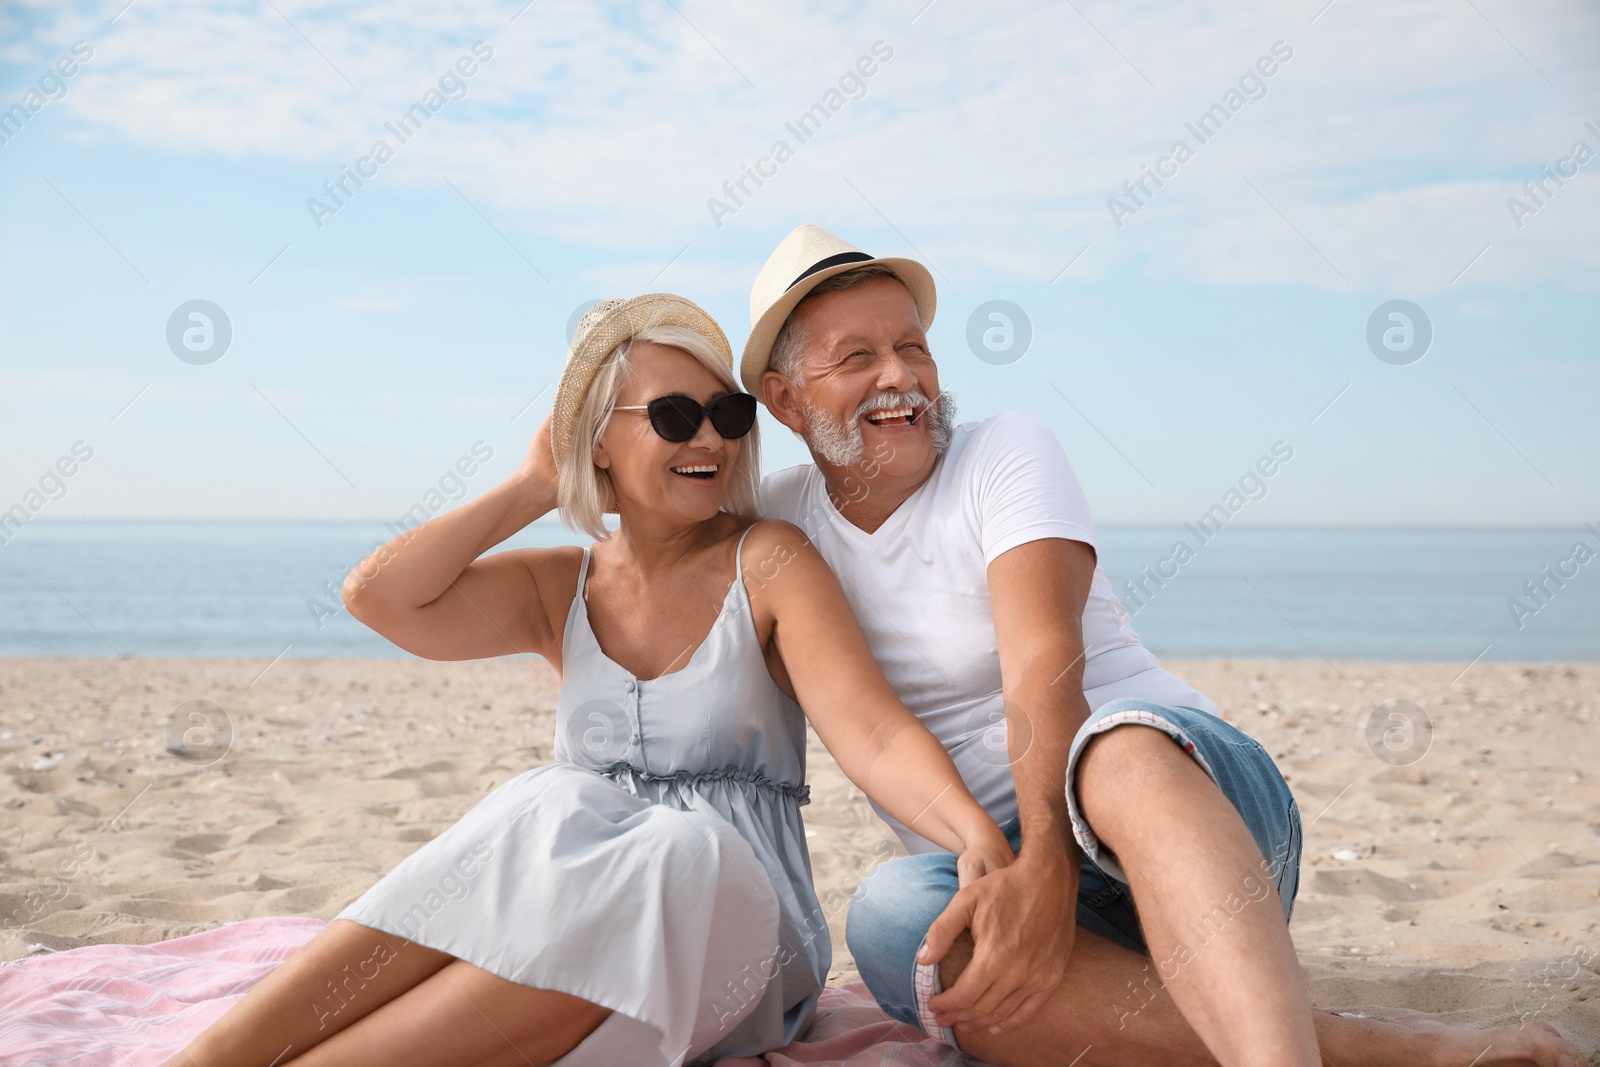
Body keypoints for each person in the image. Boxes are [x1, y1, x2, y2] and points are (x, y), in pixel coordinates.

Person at [739, 223, 1586, 1067]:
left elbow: (1044, 667)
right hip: (1004, 869)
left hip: (1190, 806)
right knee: (892, 919)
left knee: (1110, 751)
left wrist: (1048, 868)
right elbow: (664, 559)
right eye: (857, 358)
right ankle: (1381, 1048)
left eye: (912, 347)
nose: (901, 377)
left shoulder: (1003, 451)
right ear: (783, 400)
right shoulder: (779, 529)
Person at [161, 294, 1012, 1067]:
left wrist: (972, 833)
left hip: (735, 930)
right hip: (572, 930)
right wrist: (535, 484)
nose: (709, 438)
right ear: (599, 438)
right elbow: (378, 597)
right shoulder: (559, 588)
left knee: (661, 837)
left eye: (727, 413)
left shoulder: (771, 561)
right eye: (675, 416)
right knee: (551, 801)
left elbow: (871, 730)